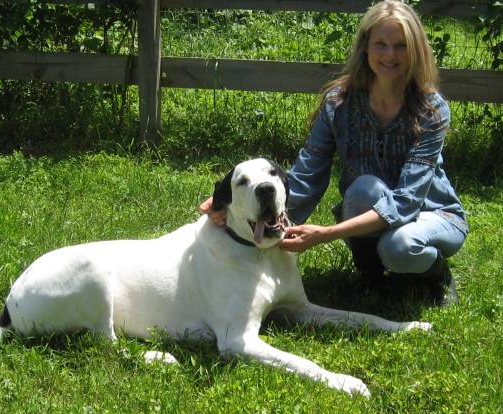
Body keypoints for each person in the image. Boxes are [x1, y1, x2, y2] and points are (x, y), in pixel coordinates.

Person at [200, 0, 468, 306]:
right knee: (364, 188)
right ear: (365, 47)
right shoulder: (338, 103)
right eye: (381, 44)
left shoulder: (431, 109)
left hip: (433, 212)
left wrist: (326, 233)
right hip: (369, 201)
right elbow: (305, 177)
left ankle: (437, 275)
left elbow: (407, 200)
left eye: (401, 45)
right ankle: (371, 275)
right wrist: (233, 205)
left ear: (416, 49)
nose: (390, 55)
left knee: (400, 246)